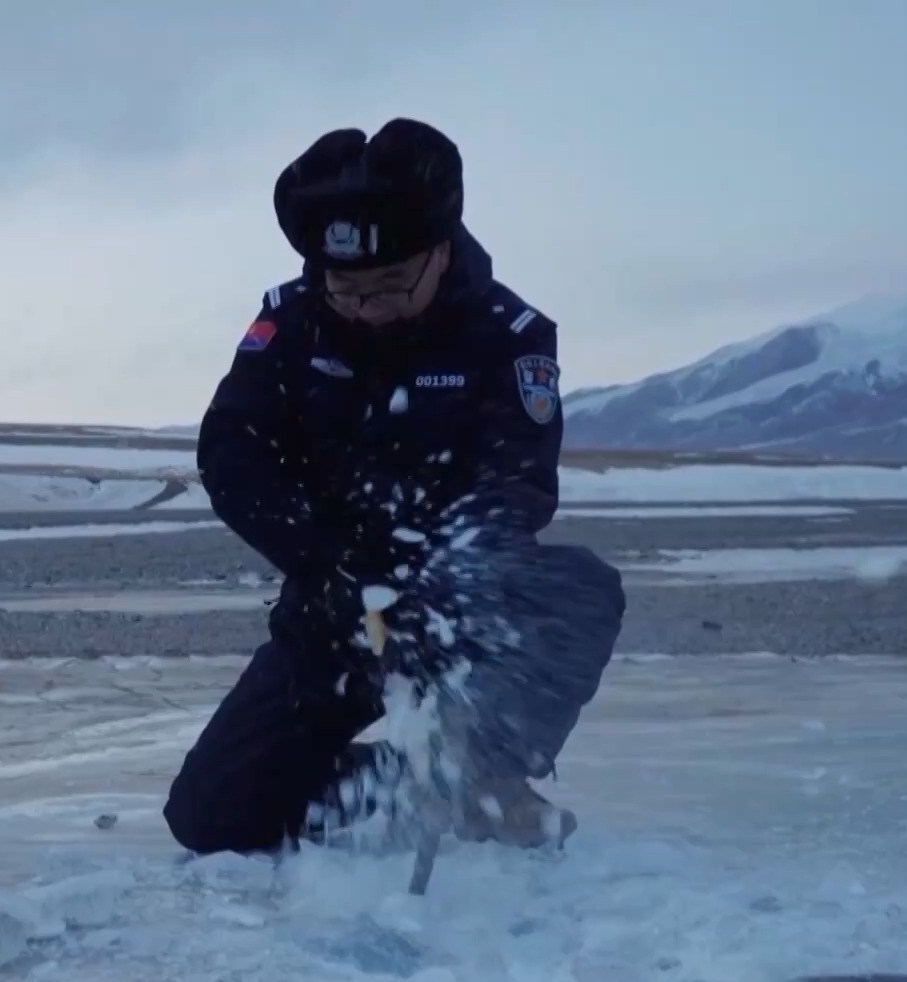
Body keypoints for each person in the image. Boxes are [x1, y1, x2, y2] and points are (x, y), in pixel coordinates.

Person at [161, 119, 627, 857]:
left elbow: (516, 488)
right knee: (208, 821)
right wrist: (329, 561)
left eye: (388, 287)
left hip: (461, 611)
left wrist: (432, 585)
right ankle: (400, 778)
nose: (365, 308)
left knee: (578, 591)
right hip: (335, 605)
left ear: (440, 251)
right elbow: (231, 453)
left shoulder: (508, 335)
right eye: (344, 288)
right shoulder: (292, 321)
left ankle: (483, 776)